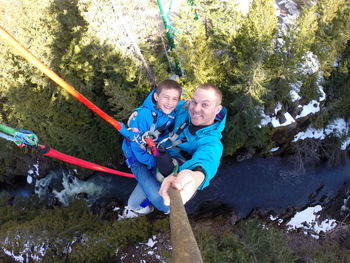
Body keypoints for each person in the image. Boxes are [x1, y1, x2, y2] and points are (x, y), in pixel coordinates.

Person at [128, 83, 227, 213]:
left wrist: (194, 176)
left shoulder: (211, 141)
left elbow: (207, 160)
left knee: (150, 205)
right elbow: (161, 103)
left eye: (205, 104)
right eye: (194, 102)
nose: (196, 109)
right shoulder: (184, 108)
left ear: (217, 109)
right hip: (155, 151)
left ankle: (147, 208)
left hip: (170, 168)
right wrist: (138, 111)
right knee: (134, 203)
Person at [122, 79, 183, 214]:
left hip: (153, 151)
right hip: (137, 159)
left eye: (174, 99)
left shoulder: (172, 110)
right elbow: (138, 149)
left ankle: (149, 199)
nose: (170, 103)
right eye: (166, 97)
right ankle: (147, 208)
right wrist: (156, 165)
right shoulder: (143, 116)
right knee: (163, 206)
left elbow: (181, 104)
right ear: (156, 96)